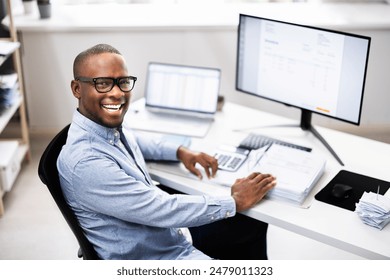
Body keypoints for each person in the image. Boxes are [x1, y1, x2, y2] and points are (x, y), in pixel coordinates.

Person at [57, 43, 276, 260]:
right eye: (102, 83)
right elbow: (160, 208)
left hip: (164, 237)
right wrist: (234, 200)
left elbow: (135, 140)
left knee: (250, 223)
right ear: (77, 88)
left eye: (123, 82)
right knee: (237, 213)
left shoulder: (104, 129)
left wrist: (180, 152)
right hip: (156, 257)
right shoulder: (87, 162)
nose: (117, 93)